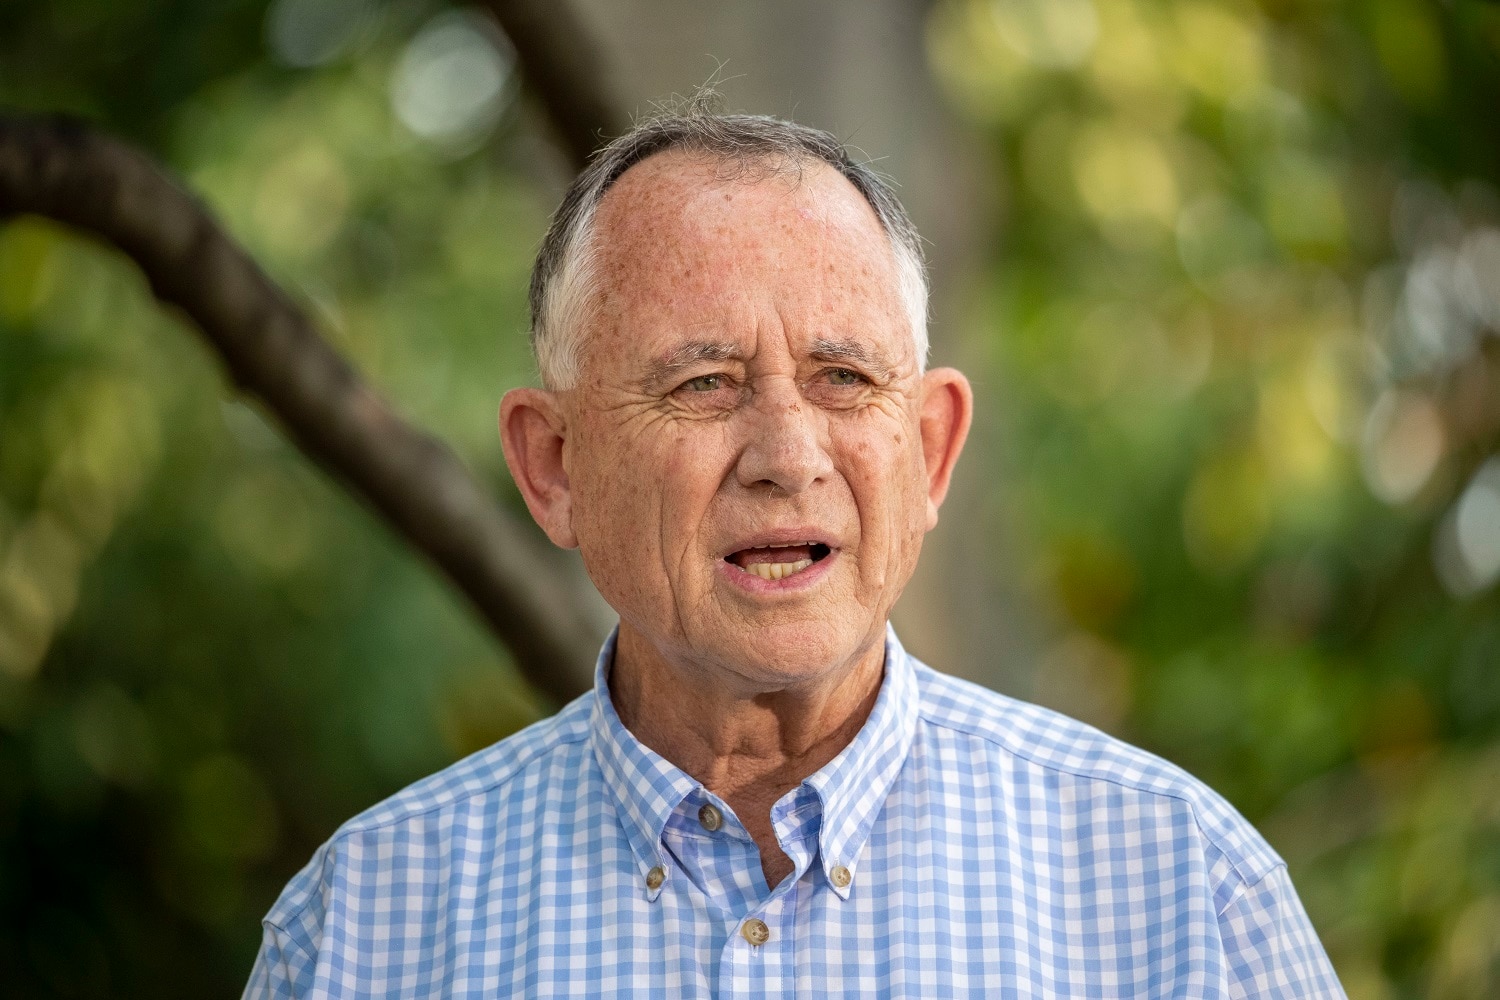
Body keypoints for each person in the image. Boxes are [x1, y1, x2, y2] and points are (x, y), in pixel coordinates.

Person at [245, 105, 1346, 998]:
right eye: (703, 384)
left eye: (845, 381)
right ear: (555, 467)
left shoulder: (1180, 886)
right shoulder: (367, 928)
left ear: (929, 449)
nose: (785, 454)